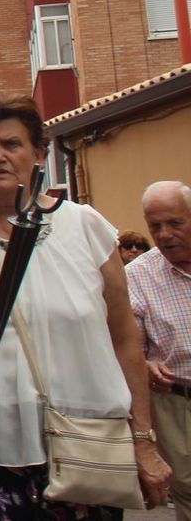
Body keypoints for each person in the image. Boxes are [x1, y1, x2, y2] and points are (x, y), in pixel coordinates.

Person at [0, 94, 172, 517]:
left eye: (11, 144)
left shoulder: (88, 228)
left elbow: (125, 341)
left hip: (86, 449)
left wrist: (143, 440)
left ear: (39, 153)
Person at [128, 180, 191, 520]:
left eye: (175, 223)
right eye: (155, 226)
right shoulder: (138, 276)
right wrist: (147, 364)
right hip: (179, 405)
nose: (165, 234)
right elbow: (130, 350)